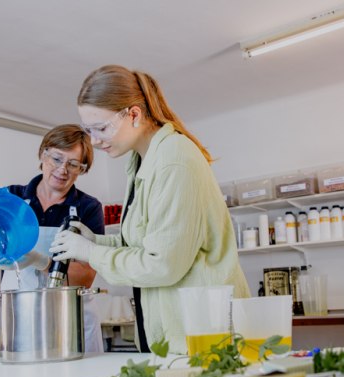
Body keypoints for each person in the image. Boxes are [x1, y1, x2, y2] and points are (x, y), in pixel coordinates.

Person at [49, 65, 250, 354]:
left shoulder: (174, 160)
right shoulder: (142, 160)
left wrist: (91, 253)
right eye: (88, 130)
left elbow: (163, 264)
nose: (94, 141)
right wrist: (95, 240)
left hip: (203, 334)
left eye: (102, 128)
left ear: (133, 114)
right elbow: (146, 240)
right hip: (176, 335)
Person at [0, 124, 105, 352]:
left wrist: (41, 261)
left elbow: (85, 278)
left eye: (73, 164)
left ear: (81, 169)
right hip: (20, 319)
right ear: (43, 154)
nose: (63, 169)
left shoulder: (88, 208)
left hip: (70, 323)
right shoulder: (12, 198)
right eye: (56, 158)